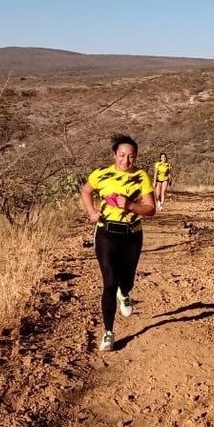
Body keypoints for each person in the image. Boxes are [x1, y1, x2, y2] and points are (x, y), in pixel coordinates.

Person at [80, 134, 157, 351]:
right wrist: (91, 211)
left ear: (136, 157)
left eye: (131, 156)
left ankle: (125, 294)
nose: (126, 161)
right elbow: (87, 191)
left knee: (127, 281)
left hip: (132, 235)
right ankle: (108, 333)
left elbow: (150, 209)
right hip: (106, 233)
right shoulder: (101, 174)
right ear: (114, 155)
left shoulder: (141, 177)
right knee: (109, 283)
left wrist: (131, 206)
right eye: (122, 155)